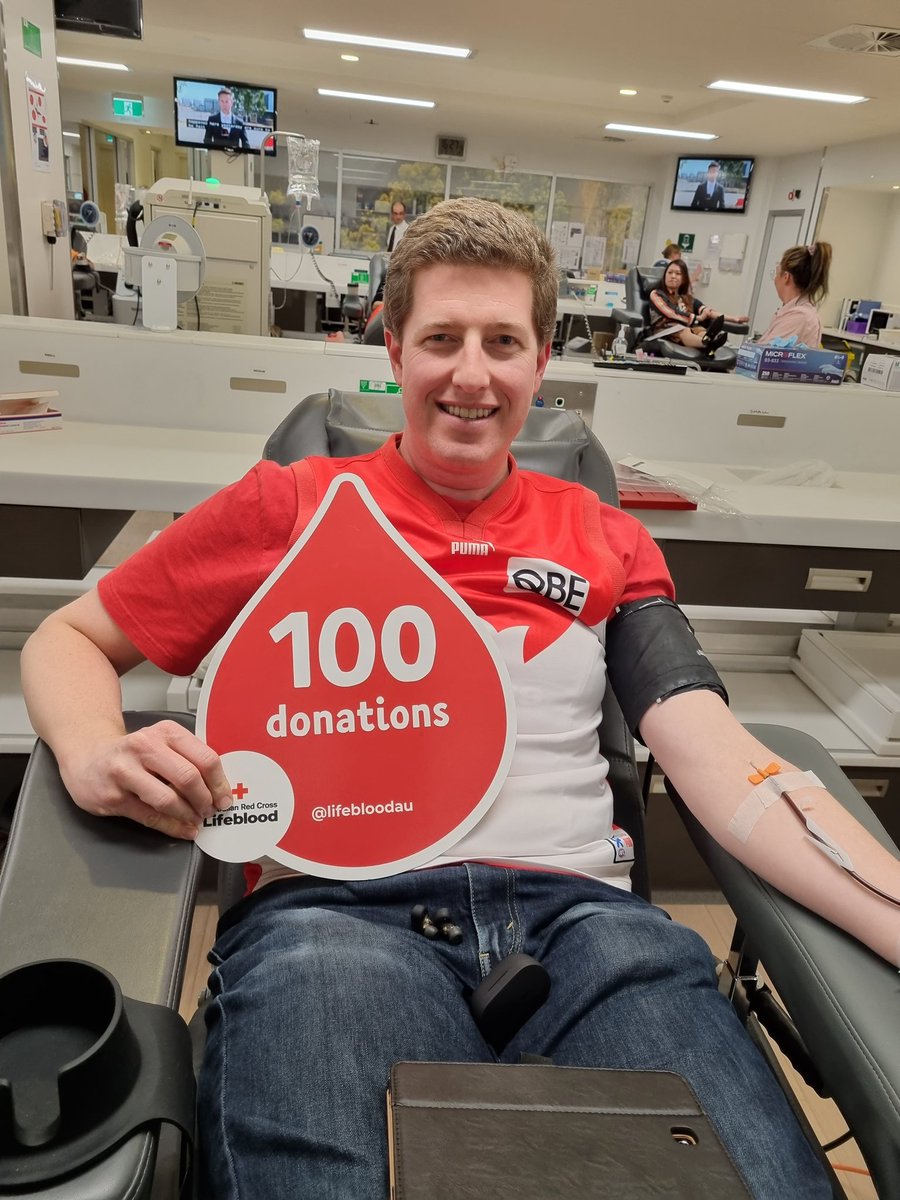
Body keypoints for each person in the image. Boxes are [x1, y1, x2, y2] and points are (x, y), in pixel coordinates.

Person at [21, 198, 900, 1200]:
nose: (471, 374)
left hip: (587, 924)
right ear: (392, 348)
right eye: (441, 338)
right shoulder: (292, 509)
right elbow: (70, 639)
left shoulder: (604, 536)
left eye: (503, 342)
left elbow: (715, 753)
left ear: (540, 359)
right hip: (333, 916)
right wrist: (94, 750)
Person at [648, 258, 748, 355]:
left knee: (699, 329)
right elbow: (671, 313)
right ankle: (707, 344)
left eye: (678, 273)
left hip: (687, 328)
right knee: (684, 330)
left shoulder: (687, 298)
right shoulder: (656, 294)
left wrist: (734, 318)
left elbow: (708, 312)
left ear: (683, 279)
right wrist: (697, 318)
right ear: (665, 275)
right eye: (670, 273)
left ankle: (708, 340)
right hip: (663, 330)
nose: (673, 276)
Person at [757, 242, 832, 347]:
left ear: (786, 277)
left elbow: (761, 356)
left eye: (777, 273)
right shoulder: (796, 312)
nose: (774, 279)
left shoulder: (799, 317)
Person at [203, 87, 250, 151]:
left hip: (235, 158)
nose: (224, 104)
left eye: (227, 101)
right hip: (216, 156)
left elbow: (245, 143)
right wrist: (213, 152)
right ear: (219, 102)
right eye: (222, 101)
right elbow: (207, 140)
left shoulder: (240, 122)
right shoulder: (212, 119)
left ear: (232, 102)